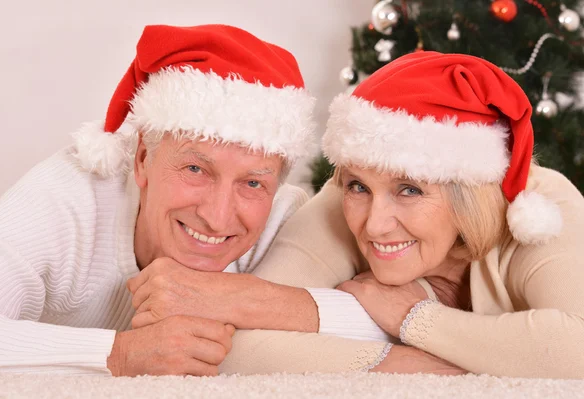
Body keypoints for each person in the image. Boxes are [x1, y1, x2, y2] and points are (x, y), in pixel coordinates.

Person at [0, 24, 393, 376]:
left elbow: (389, 321)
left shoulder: (284, 215)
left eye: (252, 183)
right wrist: (120, 354)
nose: (217, 218)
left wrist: (239, 298)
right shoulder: (68, 194)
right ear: (143, 158)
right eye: (196, 170)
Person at [224, 51, 584, 378]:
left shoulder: (543, 208)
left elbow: (576, 349)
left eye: (410, 190)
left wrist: (413, 319)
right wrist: (406, 364)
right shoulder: (341, 198)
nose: (375, 225)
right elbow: (232, 342)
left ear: (469, 197)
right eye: (358, 187)